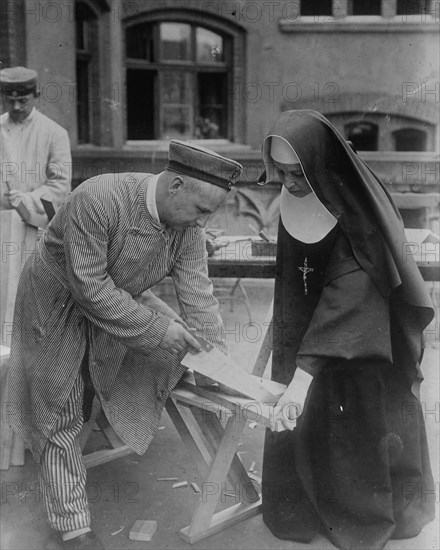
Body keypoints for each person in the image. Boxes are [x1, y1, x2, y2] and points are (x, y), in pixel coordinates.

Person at [7, 140, 243, 550]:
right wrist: (157, 329)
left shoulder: (186, 228)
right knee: (57, 402)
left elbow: (200, 299)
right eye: (202, 210)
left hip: (117, 293)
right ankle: (72, 527)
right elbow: (90, 290)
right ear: (176, 186)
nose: (203, 222)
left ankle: (104, 411)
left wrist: (218, 366)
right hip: (55, 299)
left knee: (170, 347)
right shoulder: (98, 198)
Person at [259, 110, 435, 550]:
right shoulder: (293, 197)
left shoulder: (357, 210)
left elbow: (349, 297)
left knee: (353, 424)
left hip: (361, 342)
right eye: (279, 172)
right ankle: (307, 508)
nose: (289, 183)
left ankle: (359, 518)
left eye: (297, 173)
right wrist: (284, 356)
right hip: (309, 334)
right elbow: (294, 281)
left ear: (319, 163)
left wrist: (301, 376)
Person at [0, 66, 71, 216]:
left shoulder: (55, 133)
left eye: (22, 100)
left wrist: (27, 199)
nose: (16, 107)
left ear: (36, 96)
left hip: (36, 222)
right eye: (10, 101)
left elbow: (61, 185)